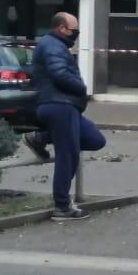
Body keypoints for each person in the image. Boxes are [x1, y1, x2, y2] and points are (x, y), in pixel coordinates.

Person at [24, 12, 106, 221]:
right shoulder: (52, 45)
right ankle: (62, 207)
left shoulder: (56, 45)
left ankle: (40, 137)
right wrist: (81, 88)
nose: (75, 35)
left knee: (95, 139)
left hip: (65, 106)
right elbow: (59, 74)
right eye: (74, 31)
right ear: (61, 28)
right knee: (67, 155)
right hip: (60, 105)